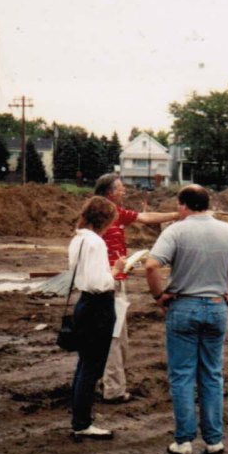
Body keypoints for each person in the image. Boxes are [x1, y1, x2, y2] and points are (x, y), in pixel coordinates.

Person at [145, 185, 228, 454]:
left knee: (182, 375)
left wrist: (159, 296)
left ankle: (184, 441)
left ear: (183, 205)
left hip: (184, 307)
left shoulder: (176, 230)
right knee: (211, 373)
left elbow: (151, 265)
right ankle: (213, 440)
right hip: (217, 307)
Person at [93, 173, 180, 404]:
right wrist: (178, 215)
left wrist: (175, 215)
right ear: (110, 192)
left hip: (110, 280)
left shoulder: (109, 211)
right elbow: (146, 217)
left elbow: (145, 216)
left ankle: (102, 381)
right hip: (109, 282)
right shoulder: (105, 213)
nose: (124, 192)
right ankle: (113, 389)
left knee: (112, 337)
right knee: (114, 337)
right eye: (120, 188)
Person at [68, 196, 127, 439]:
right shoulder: (96, 243)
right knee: (92, 368)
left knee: (84, 365)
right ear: (105, 220)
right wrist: (117, 271)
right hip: (98, 306)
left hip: (84, 303)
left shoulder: (78, 239)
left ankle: (80, 419)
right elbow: (99, 282)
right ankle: (82, 423)